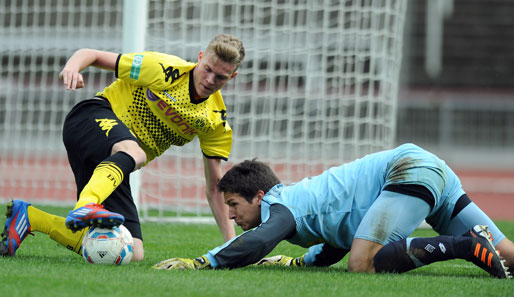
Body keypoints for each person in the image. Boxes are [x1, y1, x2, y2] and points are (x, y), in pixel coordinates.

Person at [0, 34, 245, 261]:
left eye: (221, 77)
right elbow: (91, 54)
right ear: (200, 58)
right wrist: (72, 67)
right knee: (134, 151)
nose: (210, 80)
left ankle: (29, 218)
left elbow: (214, 187)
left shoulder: (215, 121)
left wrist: (232, 244)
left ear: (232, 77)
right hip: (91, 118)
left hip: (113, 164)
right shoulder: (163, 69)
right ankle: (86, 204)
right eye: (208, 69)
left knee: (132, 250)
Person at [153, 143, 513, 279]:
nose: (231, 216)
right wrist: (300, 262)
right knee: (508, 255)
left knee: (363, 262)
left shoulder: (283, 205)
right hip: (430, 172)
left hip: (408, 170)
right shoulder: (304, 204)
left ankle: (465, 246)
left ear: (259, 196)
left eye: (233, 205)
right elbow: (334, 243)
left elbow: (259, 241)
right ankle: (477, 244)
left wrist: (203, 261)